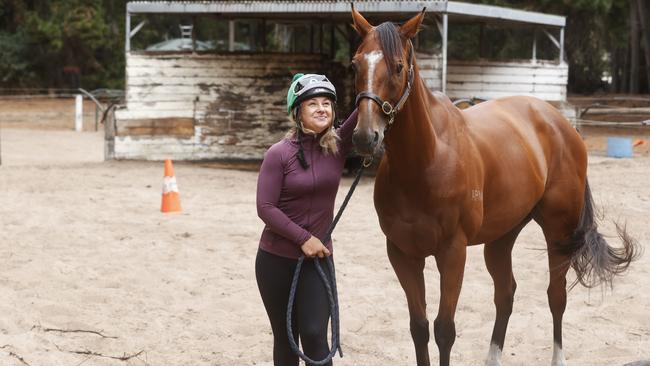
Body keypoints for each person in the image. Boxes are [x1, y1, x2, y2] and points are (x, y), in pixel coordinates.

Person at [255, 73, 358, 366]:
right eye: (312, 103)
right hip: (274, 260)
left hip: (318, 261)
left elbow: (368, 105)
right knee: (286, 339)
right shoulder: (278, 154)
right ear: (297, 111)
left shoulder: (337, 146)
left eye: (327, 103)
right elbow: (265, 207)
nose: (322, 109)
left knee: (314, 335)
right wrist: (304, 239)